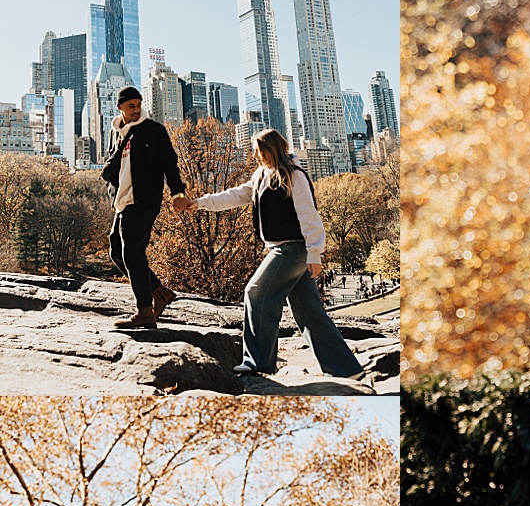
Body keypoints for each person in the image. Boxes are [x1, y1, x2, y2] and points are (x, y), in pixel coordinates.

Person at [172, 129, 366, 381]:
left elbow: (309, 214)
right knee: (309, 313)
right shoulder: (261, 175)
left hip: (293, 249)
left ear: (271, 150)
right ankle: (348, 370)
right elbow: (235, 196)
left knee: (255, 292)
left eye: (258, 150)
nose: (254, 155)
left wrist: (315, 252)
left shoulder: (293, 176)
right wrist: (199, 203)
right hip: (282, 249)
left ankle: (257, 363)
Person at [100, 86, 187, 329]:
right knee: (116, 251)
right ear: (120, 108)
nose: (136, 110)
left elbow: (170, 163)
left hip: (144, 199)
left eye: (138, 105)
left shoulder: (153, 131)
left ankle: (145, 311)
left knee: (132, 253)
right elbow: (111, 167)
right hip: (122, 200)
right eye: (131, 106)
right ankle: (160, 292)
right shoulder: (116, 132)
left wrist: (178, 192)